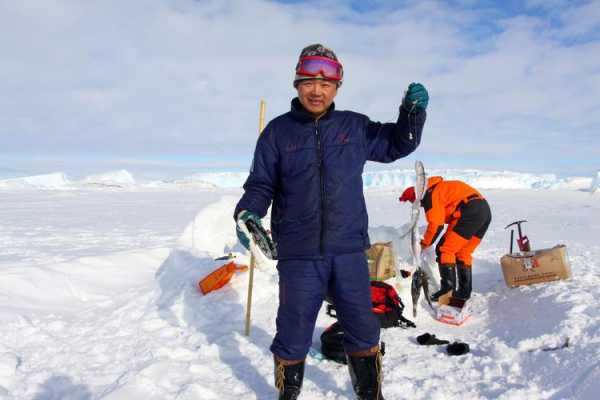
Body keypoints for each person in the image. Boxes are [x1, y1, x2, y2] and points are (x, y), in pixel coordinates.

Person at [235, 43, 428, 400]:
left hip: (348, 250)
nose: (317, 90)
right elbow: (261, 184)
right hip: (298, 253)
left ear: (337, 86)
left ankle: (370, 393)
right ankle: (287, 394)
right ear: (297, 84)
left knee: (362, 326)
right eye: (308, 81)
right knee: (292, 329)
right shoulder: (277, 133)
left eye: (326, 83)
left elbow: (398, 144)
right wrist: (248, 211)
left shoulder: (354, 127)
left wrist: (411, 113)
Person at [399, 176, 492, 302]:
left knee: (444, 249)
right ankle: (464, 293)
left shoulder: (430, 196)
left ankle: (447, 293)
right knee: (463, 252)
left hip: (469, 211)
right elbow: (443, 219)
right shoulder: (436, 189)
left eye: (413, 201)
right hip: (483, 210)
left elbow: (436, 225)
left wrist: (424, 244)